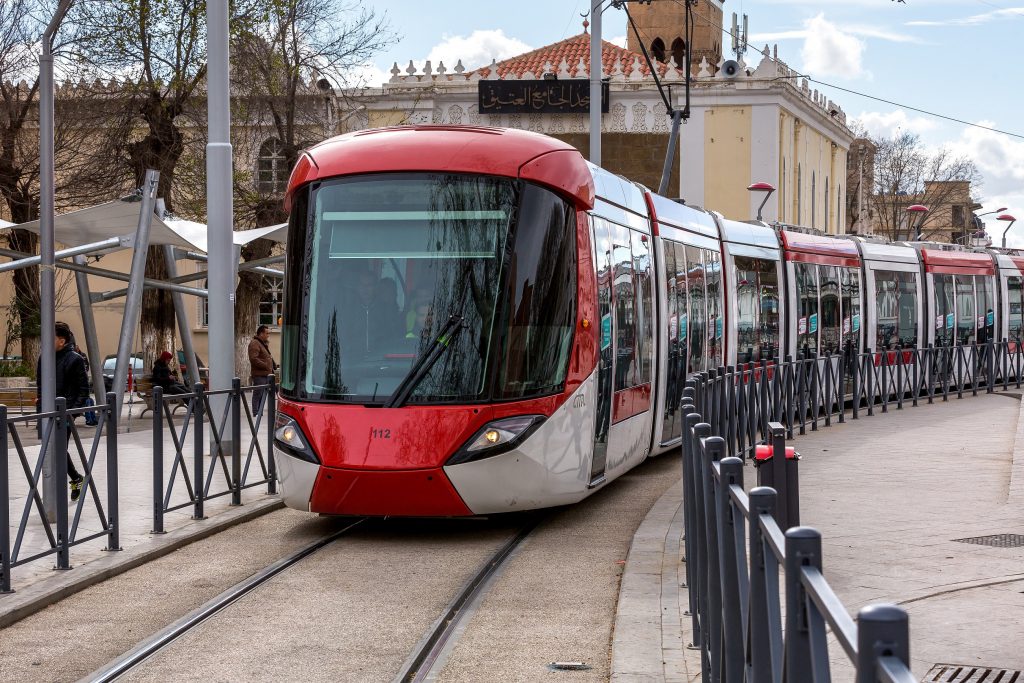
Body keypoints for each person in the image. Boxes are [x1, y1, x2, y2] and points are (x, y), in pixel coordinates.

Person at [36, 322, 88, 501]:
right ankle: (75, 478)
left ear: (61, 341)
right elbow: (40, 385)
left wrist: (71, 413)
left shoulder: (75, 359)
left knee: (57, 449)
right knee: (51, 450)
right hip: (46, 413)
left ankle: (72, 481)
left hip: (64, 415)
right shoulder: (44, 358)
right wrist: (40, 406)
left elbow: (83, 390)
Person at [248, 324, 276, 412]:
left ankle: (259, 412)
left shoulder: (262, 343)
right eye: (267, 333)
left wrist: (273, 365)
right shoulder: (255, 343)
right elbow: (253, 359)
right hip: (259, 375)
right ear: (261, 333)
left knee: (262, 394)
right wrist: (266, 365)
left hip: (265, 374)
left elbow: (267, 356)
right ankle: (256, 413)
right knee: (258, 394)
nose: (268, 335)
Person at [73, 343, 98, 426]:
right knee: (87, 402)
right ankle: (89, 420)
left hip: (79, 397)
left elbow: (87, 364)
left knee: (90, 400)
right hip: (74, 399)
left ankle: (93, 420)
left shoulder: (82, 355)